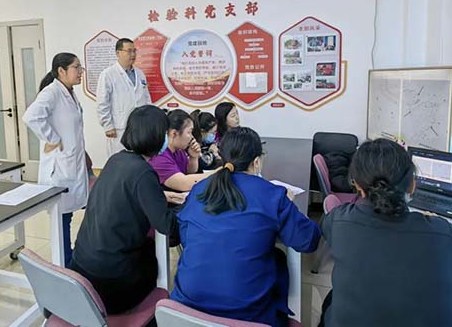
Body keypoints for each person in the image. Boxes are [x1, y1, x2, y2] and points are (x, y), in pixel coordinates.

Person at [319, 138, 452, 327]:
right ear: (412, 185)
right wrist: (434, 224)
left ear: (358, 185)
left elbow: (327, 229)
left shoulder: (339, 221)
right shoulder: (443, 233)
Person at [171, 127, 321, 327]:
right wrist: (289, 203)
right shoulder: (272, 194)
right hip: (247, 316)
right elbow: (308, 240)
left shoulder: (199, 189)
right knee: (276, 258)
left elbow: (186, 235)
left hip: (184, 311)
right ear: (257, 161)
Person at [69, 105, 183, 313]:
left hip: (81, 271)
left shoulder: (116, 160)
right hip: (110, 286)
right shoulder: (144, 172)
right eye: (166, 133)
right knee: (151, 253)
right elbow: (169, 229)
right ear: (156, 136)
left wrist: (158, 197)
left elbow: (126, 194)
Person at [23, 52, 87, 266]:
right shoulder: (51, 92)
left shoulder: (69, 92)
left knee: (68, 214)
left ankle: (68, 257)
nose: (81, 72)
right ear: (61, 71)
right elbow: (31, 116)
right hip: (60, 166)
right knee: (62, 217)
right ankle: (63, 263)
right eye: (76, 67)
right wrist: (52, 138)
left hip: (72, 161)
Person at [97, 38, 151, 158]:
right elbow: (102, 103)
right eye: (129, 51)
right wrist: (108, 126)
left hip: (140, 126)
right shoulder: (108, 74)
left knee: (139, 159)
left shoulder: (140, 73)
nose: (133, 54)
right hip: (119, 128)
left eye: (134, 51)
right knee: (119, 159)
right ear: (118, 53)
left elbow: (146, 98)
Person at [149, 109, 212, 192]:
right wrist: (217, 174)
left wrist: (193, 157)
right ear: (174, 133)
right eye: (189, 132)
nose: (192, 137)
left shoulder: (178, 150)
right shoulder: (159, 156)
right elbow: (183, 183)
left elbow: (189, 172)